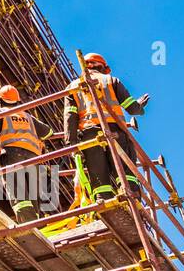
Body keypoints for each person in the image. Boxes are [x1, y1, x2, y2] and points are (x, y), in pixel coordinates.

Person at [63, 53, 150, 200]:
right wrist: (140, 106)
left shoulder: (72, 87)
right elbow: (132, 108)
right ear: (102, 67)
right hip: (115, 132)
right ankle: (133, 203)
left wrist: (71, 144)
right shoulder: (110, 80)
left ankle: (105, 205)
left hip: (89, 135)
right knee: (124, 170)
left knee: (97, 174)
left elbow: (70, 117)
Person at [0, 84, 47, 224]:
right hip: (33, 156)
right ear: (17, 101)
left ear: (0, 100)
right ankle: (36, 224)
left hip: (11, 154)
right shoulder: (27, 116)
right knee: (33, 193)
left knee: (19, 193)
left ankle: (28, 226)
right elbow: (48, 132)